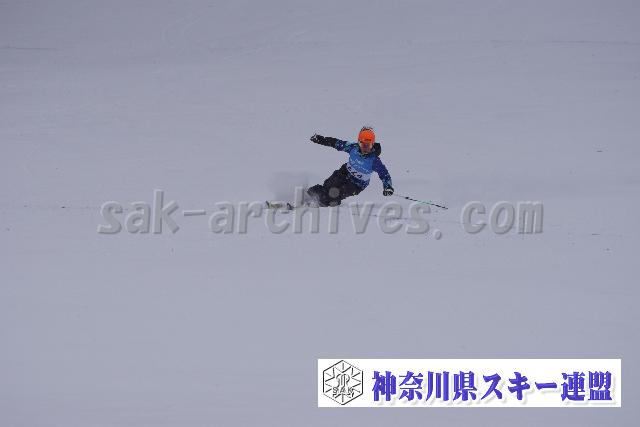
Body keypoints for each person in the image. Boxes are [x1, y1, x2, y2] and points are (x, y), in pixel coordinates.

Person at [307, 126, 394, 206]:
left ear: (372, 144)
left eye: (368, 145)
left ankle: (321, 203)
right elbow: (336, 143)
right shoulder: (353, 148)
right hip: (344, 173)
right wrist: (321, 139)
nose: (365, 149)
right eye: (363, 145)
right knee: (327, 186)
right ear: (359, 142)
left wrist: (388, 187)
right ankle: (309, 196)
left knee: (333, 194)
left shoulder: (374, 160)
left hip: (356, 184)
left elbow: (384, 174)